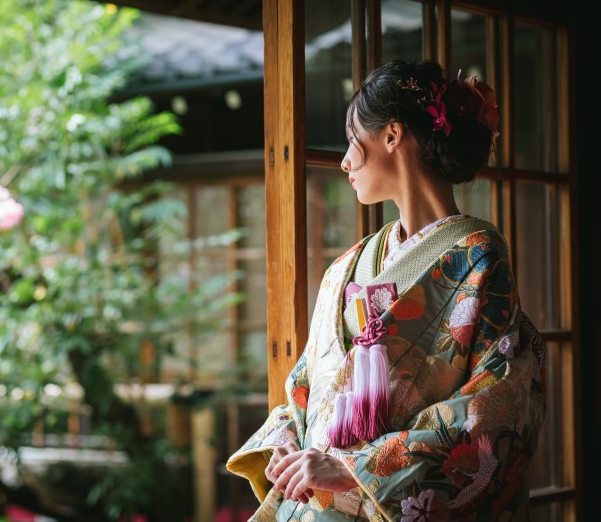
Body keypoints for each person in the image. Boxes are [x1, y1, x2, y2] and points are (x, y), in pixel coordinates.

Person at [226, 59, 546, 521]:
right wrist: (286, 445)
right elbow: (306, 385)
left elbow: (498, 401)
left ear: (392, 135)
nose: (343, 161)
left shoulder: (478, 255)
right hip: (313, 502)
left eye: (352, 141)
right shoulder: (347, 266)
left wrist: (357, 468)